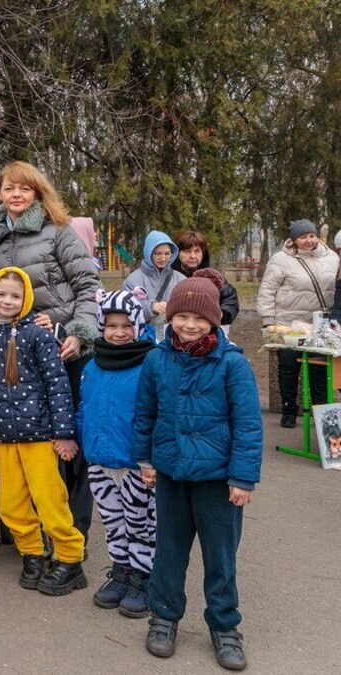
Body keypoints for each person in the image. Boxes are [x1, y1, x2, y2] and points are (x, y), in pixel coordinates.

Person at [134, 269, 262, 671]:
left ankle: (225, 626)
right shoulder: (156, 360)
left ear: (214, 319)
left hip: (218, 481)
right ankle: (164, 618)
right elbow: (145, 413)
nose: (189, 325)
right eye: (181, 316)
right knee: (169, 552)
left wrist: (243, 477)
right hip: (170, 475)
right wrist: (145, 459)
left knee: (220, 557)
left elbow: (248, 424)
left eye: (199, 317)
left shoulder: (232, 365)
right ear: (169, 316)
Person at [0, 160, 101, 540]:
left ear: (37, 193)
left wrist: (75, 331)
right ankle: (27, 530)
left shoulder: (58, 232)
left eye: (24, 189)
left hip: (65, 348)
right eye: (9, 189)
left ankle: (72, 527)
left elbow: (87, 285)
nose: (16, 195)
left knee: (68, 440)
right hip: (21, 356)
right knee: (26, 438)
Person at [0, 267, 86, 596]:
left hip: (39, 435)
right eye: (1, 294)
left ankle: (70, 558)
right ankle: (33, 554)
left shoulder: (37, 335)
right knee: (11, 505)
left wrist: (64, 432)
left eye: (15, 295)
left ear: (26, 300)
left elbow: (57, 385)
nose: (7, 301)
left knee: (50, 501)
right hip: (3, 438)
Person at [76, 289, 156, 619]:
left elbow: (155, 414)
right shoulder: (93, 365)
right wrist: (82, 440)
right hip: (99, 460)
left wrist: (150, 457)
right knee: (112, 522)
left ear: (137, 325)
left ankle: (144, 577)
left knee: (141, 523)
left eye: (126, 325)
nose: (119, 332)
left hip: (135, 463)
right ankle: (121, 571)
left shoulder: (148, 363)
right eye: (111, 325)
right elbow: (85, 406)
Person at [258, 219, 339, 427]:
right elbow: (267, 290)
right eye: (303, 237)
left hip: (320, 324)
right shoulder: (280, 259)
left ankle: (321, 411)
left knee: (320, 368)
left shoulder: (331, 257)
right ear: (294, 240)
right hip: (289, 323)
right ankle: (289, 410)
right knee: (288, 367)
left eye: (311, 235)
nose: (308, 240)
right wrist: (268, 321)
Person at [171, 231, 240, 334]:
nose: (193, 256)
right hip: (176, 333)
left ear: (203, 253)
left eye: (197, 251)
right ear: (177, 253)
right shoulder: (169, 277)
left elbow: (230, 299)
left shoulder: (213, 276)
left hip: (209, 335)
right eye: (187, 251)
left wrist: (221, 314)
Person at [122, 231, 185, 340]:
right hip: (143, 340)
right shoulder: (132, 281)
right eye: (158, 253)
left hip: (175, 340)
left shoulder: (181, 279)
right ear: (149, 253)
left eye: (167, 253)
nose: (163, 258)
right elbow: (125, 313)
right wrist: (150, 308)